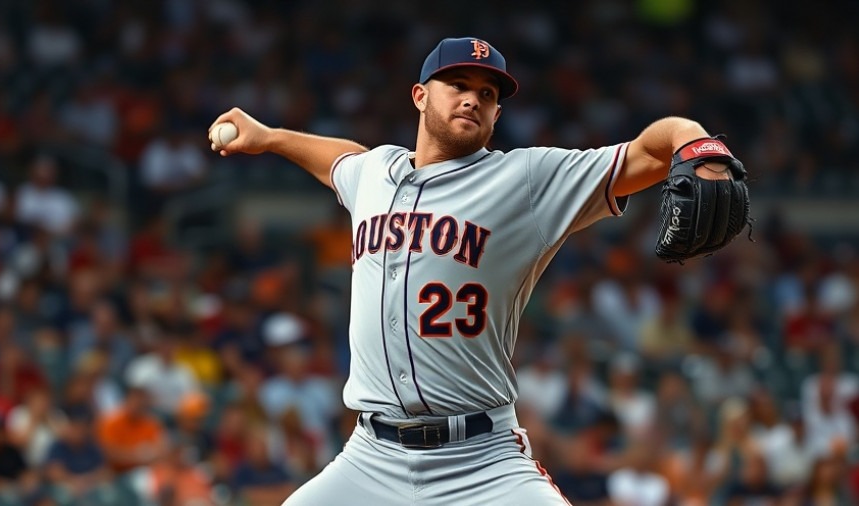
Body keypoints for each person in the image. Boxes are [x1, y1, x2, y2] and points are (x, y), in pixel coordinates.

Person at [210, 36, 738, 505]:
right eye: (458, 85)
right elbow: (339, 161)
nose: (472, 99)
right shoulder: (375, 172)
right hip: (371, 456)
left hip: (482, 462)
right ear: (420, 96)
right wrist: (269, 137)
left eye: (487, 94)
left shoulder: (525, 180)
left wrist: (694, 139)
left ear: (496, 114)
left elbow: (648, 151)